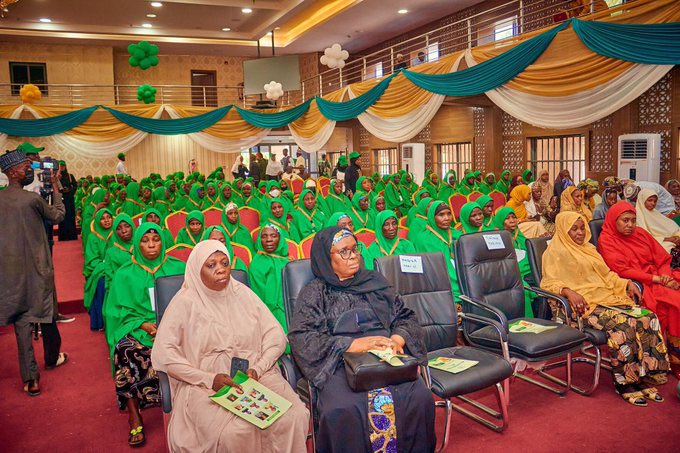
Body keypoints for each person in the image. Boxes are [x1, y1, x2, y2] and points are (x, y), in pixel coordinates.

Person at [151, 240, 308, 452]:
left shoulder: (242, 293)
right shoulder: (184, 303)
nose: (221, 270)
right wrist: (208, 379)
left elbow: (276, 336)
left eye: (224, 263)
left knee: (295, 415)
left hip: (256, 376)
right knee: (235, 433)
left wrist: (258, 368)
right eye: (211, 265)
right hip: (203, 384)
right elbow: (164, 355)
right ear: (197, 269)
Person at [288, 226, 435, 452]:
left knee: (419, 397)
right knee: (343, 408)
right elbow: (303, 339)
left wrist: (397, 339)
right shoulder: (315, 293)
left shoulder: (375, 282)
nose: (353, 256)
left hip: (386, 358)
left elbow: (406, 317)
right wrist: (353, 345)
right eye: (344, 252)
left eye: (355, 249)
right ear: (326, 258)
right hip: (337, 364)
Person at [541, 211, 669, 406]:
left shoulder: (589, 249)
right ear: (563, 230)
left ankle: (645, 374)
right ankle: (625, 383)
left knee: (647, 317)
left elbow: (607, 275)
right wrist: (567, 291)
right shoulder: (554, 252)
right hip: (581, 307)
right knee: (624, 326)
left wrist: (626, 283)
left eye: (582, 227)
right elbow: (548, 282)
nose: (580, 232)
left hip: (604, 298)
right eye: (573, 229)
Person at [104, 222, 186, 446]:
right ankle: (134, 414)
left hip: (176, 328)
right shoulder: (125, 274)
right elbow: (116, 312)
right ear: (137, 243)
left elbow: (191, 303)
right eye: (145, 240)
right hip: (139, 329)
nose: (151, 245)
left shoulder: (178, 267)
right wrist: (143, 324)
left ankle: (189, 406)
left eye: (156, 239)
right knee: (125, 351)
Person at [0, 149, 69, 396]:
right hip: (37, 271)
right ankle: (52, 358)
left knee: (22, 324)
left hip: (10, 273)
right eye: (23, 167)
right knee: (47, 313)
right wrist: (55, 186)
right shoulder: (31, 200)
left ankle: (30, 379)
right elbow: (58, 215)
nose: (28, 169)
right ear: (10, 172)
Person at [598, 201, 680, 379]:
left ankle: (671, 355)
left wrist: (666, 277)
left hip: (658, 277)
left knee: (674, 294)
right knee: (673, 301)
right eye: (625, 220)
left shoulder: (641, 234)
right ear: (614, 220)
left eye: (633, 220)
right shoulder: (607, 239)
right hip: (635, 282)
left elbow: (662, 259)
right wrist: (657, 279)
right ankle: (672, 358)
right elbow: (621, 270)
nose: (630, 225)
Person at [249, 224, 291, 332]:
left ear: (280, 239)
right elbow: (257, 295)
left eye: (273, 236)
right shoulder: (256, 263)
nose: (269, 240)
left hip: (289, 309)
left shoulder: (288, 261)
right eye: (264, 236)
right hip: (266, 312)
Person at [83, 208, 113, 330]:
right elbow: (92, 261)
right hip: (99, 269)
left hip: (115, 268)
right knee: (101, 282)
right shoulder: (93, 237)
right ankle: (100, 321)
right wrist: (106, 264)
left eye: (109, 217)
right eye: (103, 218)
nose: (107, 221)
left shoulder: (116, 233)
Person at [634, 189, 680, 253]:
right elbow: (645, 237)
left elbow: (670, 225)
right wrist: (668, 239)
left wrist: (676, 237)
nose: (653, 203)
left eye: (655, 201)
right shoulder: (637, 216)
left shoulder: (655, 213)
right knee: (665, 248)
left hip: (669, 238)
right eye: (650, 200)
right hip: (653, 242)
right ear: (642, 200)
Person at [57, 160, 78, 241]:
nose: (62, 168)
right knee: (62, 217)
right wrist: (61, 190)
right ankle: (63, 237)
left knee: (70, 216)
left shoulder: (70, 176)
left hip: (69, 199)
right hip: (61, 199)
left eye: (63, 166)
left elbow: (75, 186)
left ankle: (71, 236)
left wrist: (69, 190)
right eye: (60, 166)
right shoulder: (57, 176)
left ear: (65, 166)